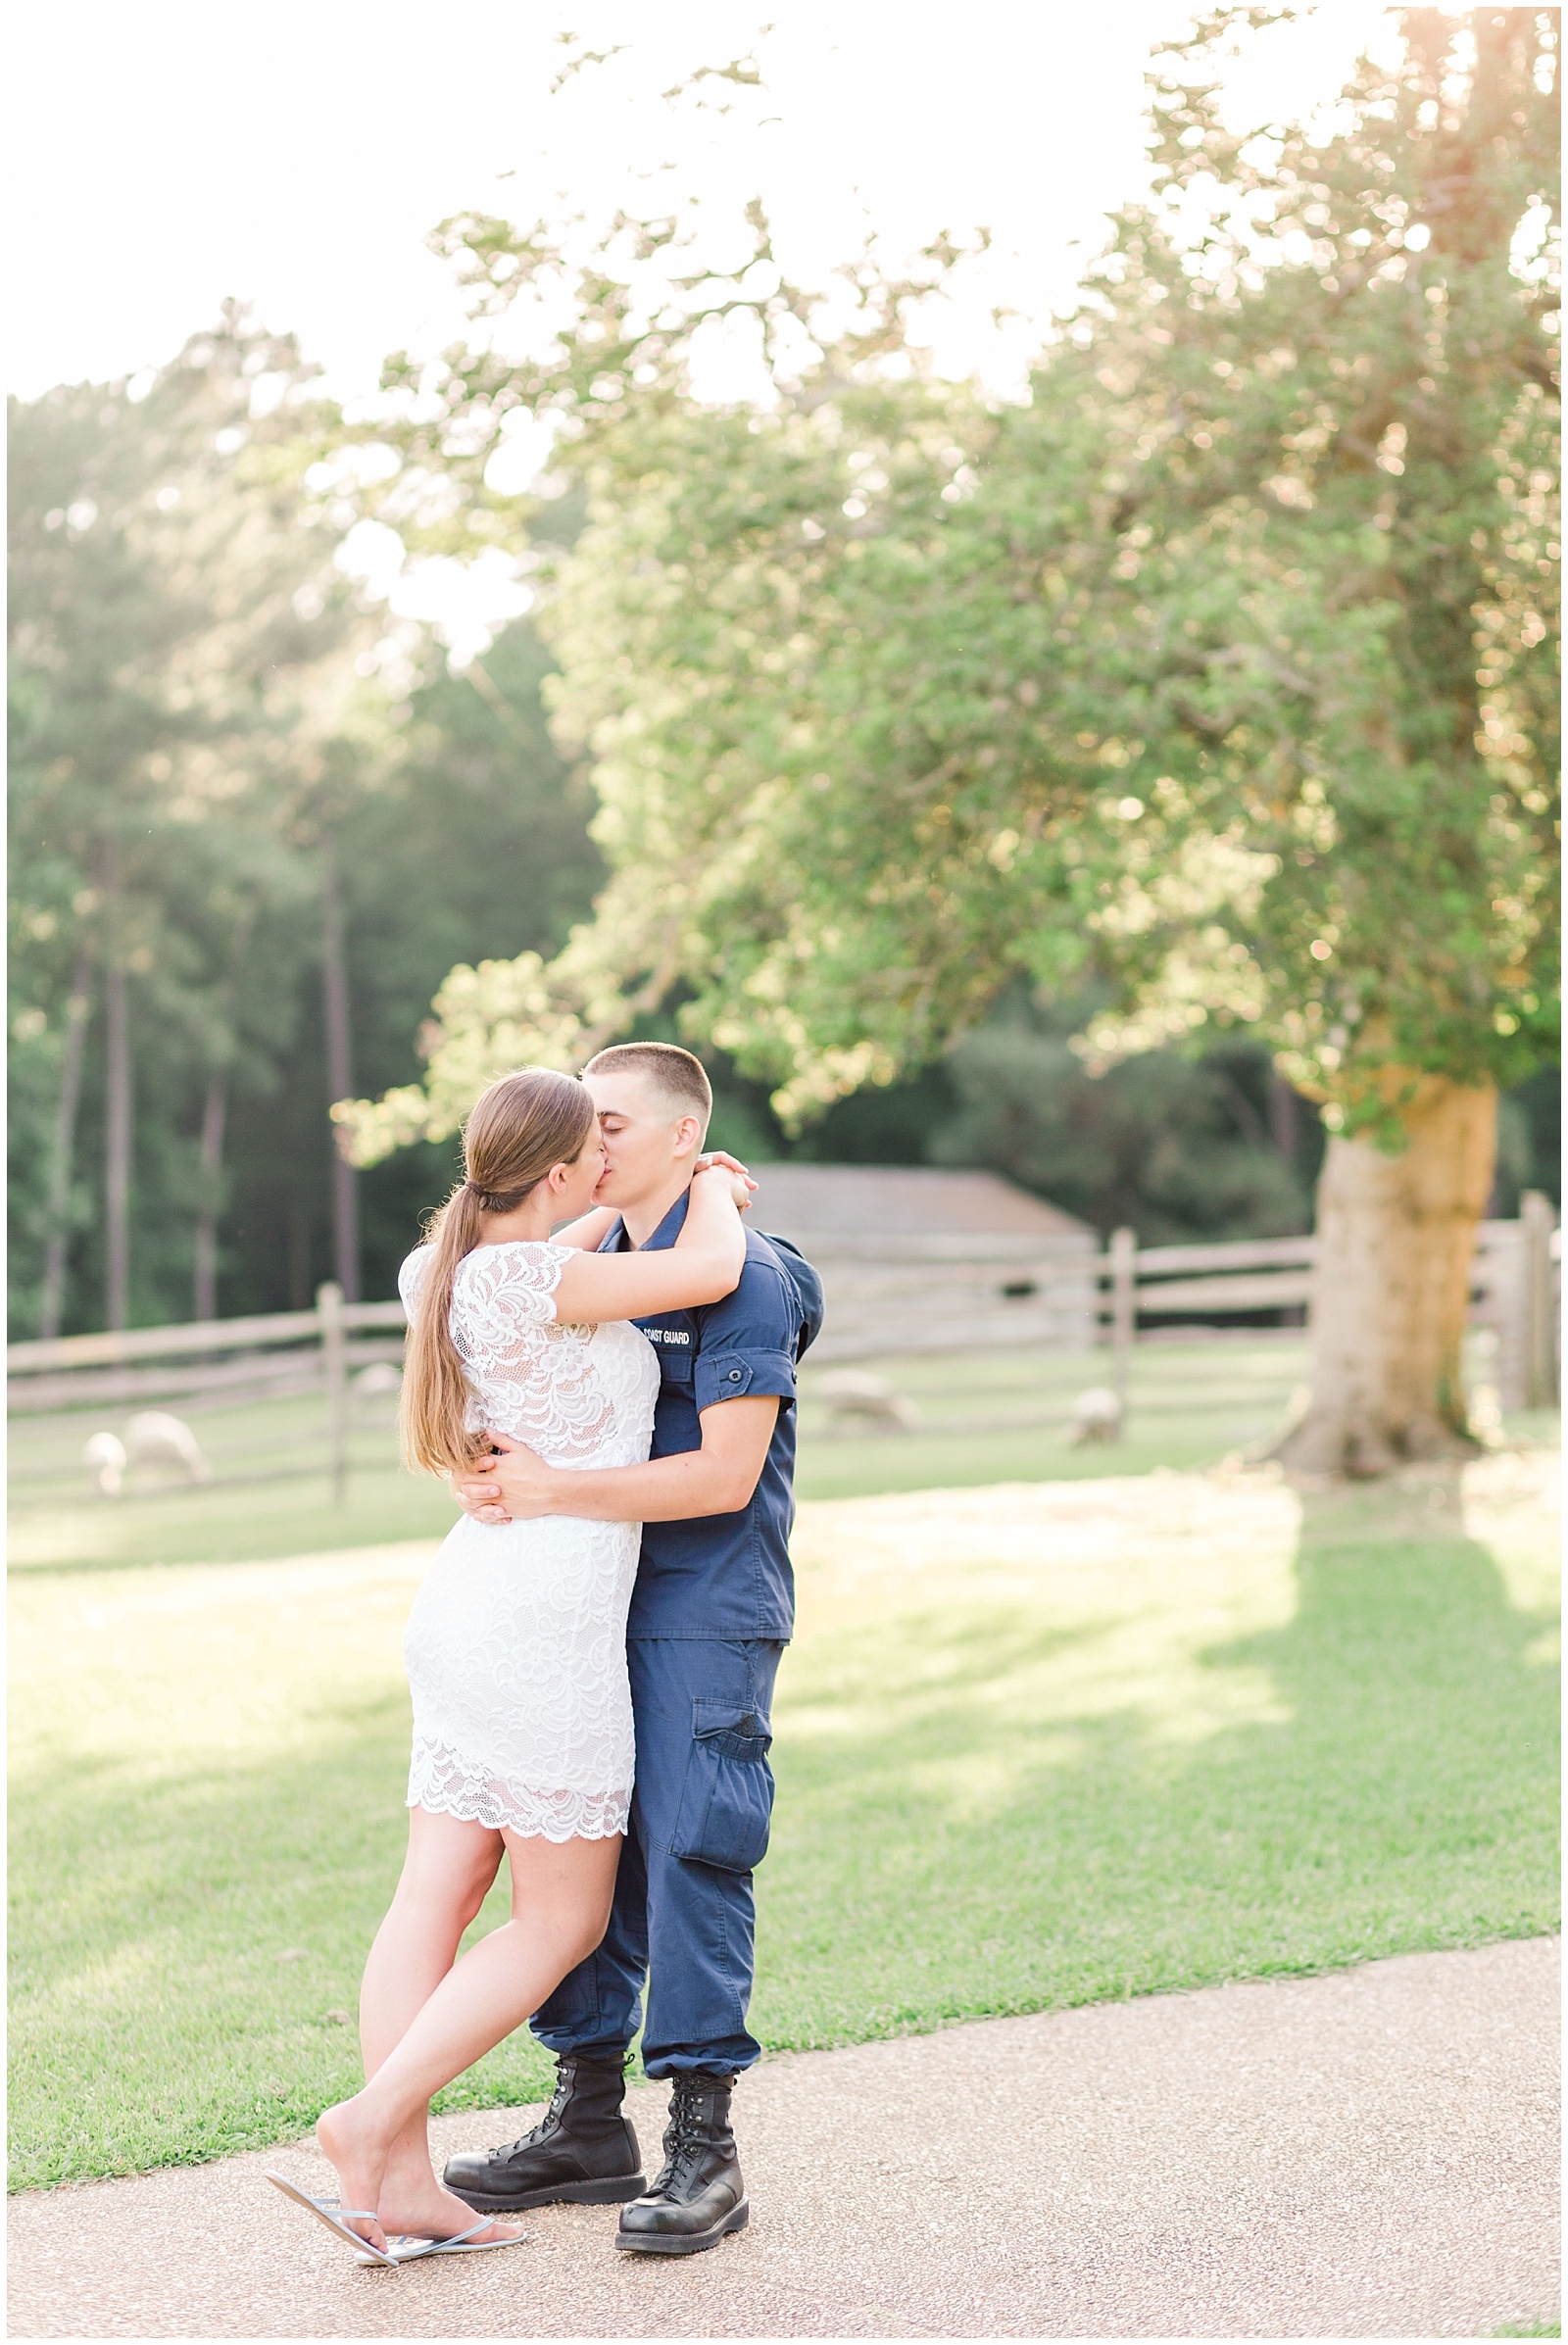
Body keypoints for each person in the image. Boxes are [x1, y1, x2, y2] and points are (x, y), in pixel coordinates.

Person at [267, 1065, 752, 2267]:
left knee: (433, 1892)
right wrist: (715, 1181)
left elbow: (558, 1243)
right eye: (591, 1146)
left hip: (473, 1603)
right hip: (541, 1625)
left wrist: (599, 1201)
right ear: (551, 1169)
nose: (607, 1162)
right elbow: (707, 1270)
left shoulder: (440, 1270)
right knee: (565, 1916)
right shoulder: (532, 1273)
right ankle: (368, 2123)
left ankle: (402, 2183)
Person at [442, 1042, 823, 2258]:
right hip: (580, 1601)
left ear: (681, 1139)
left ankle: (703, 2142)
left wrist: (552, 1492)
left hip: (699, 1604)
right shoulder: (585, 1259)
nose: (580, 1145)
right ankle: (587, 2116)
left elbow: (720, 1476)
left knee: (691, 1848)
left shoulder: (744, 1276)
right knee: (575, 1856)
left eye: (607, 1124)